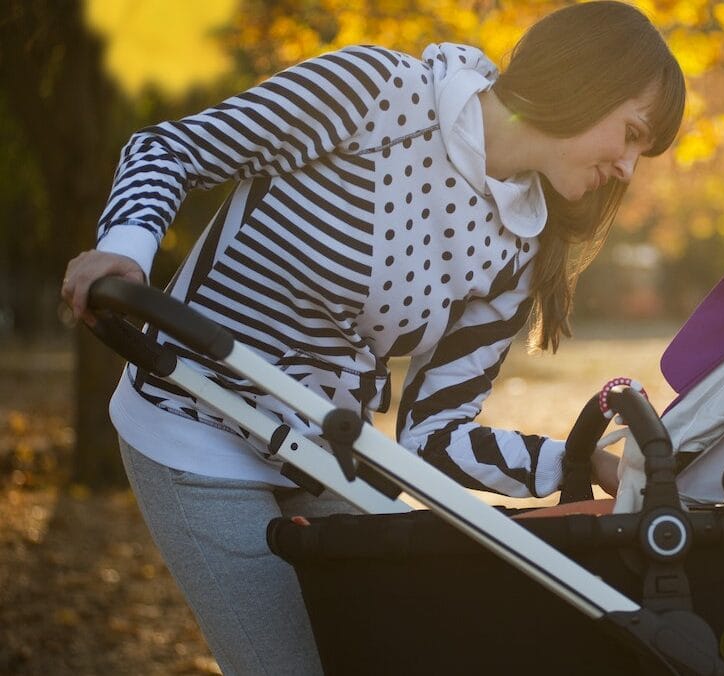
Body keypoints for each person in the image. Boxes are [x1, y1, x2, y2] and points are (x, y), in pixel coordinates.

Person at [60, 2, 685, 673]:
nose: (626, 169)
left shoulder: (521, 249)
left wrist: (579, 463)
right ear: (583, 82)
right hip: (196, 420)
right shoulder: (376, 94)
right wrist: (125, 250)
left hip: (319, 449)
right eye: (630, 135)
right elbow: (171, 149)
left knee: (384, 652)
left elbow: (435, 439)